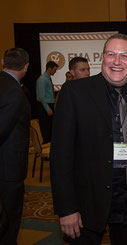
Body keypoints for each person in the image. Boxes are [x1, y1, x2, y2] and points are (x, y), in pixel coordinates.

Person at [50, 33, 127, 245]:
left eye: (124, 55)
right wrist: (67, 208)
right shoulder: (75, 92)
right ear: (102, 58)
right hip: (86, 204)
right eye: (111, 54)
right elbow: (60, 156)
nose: (117, 61)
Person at [0, 48, 31, 245]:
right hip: (8, 167)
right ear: (26, 67)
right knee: (8, 221)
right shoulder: (14, 92)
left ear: (3, 61)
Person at [36, 61, 58, 143]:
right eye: (54, 70)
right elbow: (41, 96)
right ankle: (45, 150)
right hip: (45, 106)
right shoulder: (42, 79)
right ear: (50, 68)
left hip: (49, 105)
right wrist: (47, 108)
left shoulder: (47, 78)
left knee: (49, 129)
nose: (55, 72)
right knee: (45, 129)